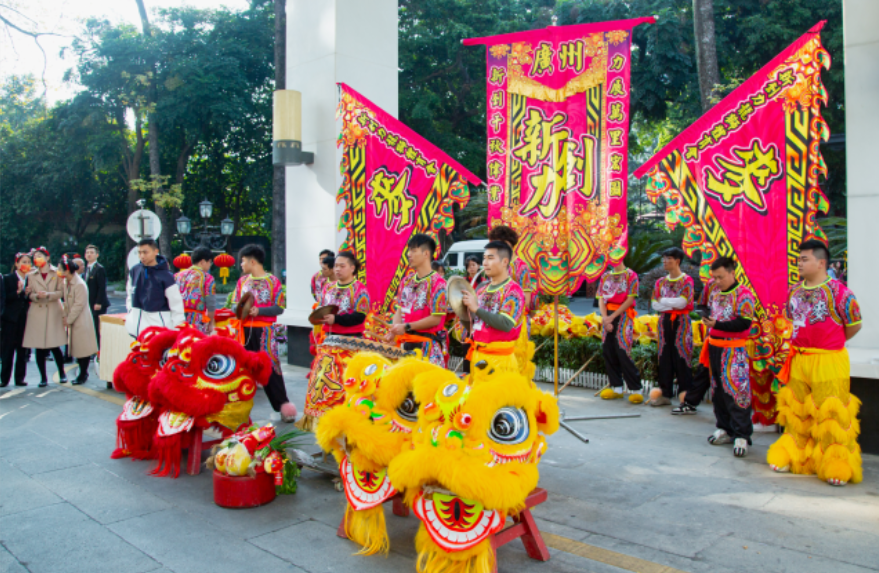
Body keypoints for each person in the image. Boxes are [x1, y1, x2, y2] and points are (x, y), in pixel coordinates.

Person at [767, 240, 863, 486]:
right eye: (799, 259)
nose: (799, 263)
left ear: (821, 262)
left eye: (804, 259)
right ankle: (797, 456)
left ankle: (836, 461)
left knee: (831, 413)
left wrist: (830, 344)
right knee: (797, 411)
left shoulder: (841, 292)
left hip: (828, 359)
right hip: (799, 358)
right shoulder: (794, 291)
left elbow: (854, 325)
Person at [300, 251, 370, 430]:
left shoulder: (360, 289)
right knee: (322, 385)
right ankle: (326, 427)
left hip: (351, 345)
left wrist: (336, 320)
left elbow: (360, 317)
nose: (337, 269)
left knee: (347, 387)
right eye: (336, 266)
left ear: (352, 268)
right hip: (329, 344)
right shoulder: (328, 288)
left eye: (342, 266)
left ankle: (348, 426)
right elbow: (322, 312)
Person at [231, 244, 297, 423]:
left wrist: (258, 311)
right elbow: (234, 304)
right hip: (244, 330)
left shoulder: (273, 281)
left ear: (253, 261)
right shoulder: (242, 282)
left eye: (243, 261)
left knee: (271, 370)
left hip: (265, 332)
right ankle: (237, 412)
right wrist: (240, 310)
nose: (241, 265)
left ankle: (283, 407)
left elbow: (279, 307)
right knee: (240, 371)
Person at [701, 257, 756, 458]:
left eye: (721, 277)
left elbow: (744, 323)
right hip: (715, 346)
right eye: (714, 277)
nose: (717, 281)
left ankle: (742, 434)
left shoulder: (744, 295)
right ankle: (724, 427)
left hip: (734, 350)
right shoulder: (715, 292)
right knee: (718, 391)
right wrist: (706, 317)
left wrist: (717, 325)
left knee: (737, 391)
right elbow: (707, 308)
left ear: (732, 273)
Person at [460, 240, 528, 377]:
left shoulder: (513, 290)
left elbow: (506, 324)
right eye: (484, 258)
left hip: (500, 360)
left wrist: (476, 309)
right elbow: (475, 320)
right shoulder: (482, 289)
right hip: (478, 356)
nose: (485, 263)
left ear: (504, 262)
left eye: (490, 258)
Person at [385, 234, 450, 367]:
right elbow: (400, 309)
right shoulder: (406, 281)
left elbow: (435, 319)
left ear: (426, 253)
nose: (409, 254)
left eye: (413, 250)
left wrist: (407, 326)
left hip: (427, 347)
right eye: (409, 250)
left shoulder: (438, 283)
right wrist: (394, 330)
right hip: (406, 344)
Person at [650, 247, 695, 407]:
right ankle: (665, 394)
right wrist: (670, 303)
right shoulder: (660, 282)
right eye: (663, 258)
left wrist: (664, 301)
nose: (664, 261)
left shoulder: (687, 280)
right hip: (664, 321)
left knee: (682, 355)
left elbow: (683, 302)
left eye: (668, 258)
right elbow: (655, 303)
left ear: (677, 260)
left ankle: (686, 396)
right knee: (664, 356)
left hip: (682, 321)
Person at [672, 278, 720, 415]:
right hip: (712, 335)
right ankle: (690, 402)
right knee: (704, 369)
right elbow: (702, 304)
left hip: (735, 340)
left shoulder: (742, 289)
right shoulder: (712, 283)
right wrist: (708, 317)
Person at [597, 262, 643, 403]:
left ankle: (635, 388)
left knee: (623, 350)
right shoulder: (605, 276)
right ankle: (616, 387)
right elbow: (600, 298)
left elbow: (630, 299)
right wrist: (605, 318)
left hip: (623, 315)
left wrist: (612, 317)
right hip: (607, 316)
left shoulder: (631, 275)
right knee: (608, 350)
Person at [22, 247, 68, 387]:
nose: (37, 259)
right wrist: (36, 296)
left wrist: (48, 295)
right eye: (35, 257)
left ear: (47, 258)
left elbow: (61, 292)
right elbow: (28, 294)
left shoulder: (57, 273)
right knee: (39, 347)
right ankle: (43, 377)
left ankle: (62, 372)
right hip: (37, 312)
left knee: (54, 345)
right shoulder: (31, 275)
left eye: (40, 256)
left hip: (53, 310)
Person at [125, 239, 185, 338]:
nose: (142, 256)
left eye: (145, 252)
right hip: (135, 331)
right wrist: (130, 312)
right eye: (139, 252)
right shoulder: (134, 271)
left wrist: (177, 330)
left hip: (159, 332)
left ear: (156, 252)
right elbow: (129, 295)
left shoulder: (166, 276)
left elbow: (176, 305)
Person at [57, 257, 98, 385]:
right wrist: (65, 316)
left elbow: (78, 305)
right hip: (72, 320)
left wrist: (68, 319)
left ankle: (83, 373)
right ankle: (82, 373)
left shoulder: (79, 284)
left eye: (60, 269)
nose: (58, 271)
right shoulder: (66, 282)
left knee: (83, 349)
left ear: (67, 270)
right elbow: (65, 302)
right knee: (76, 348)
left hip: (81, 320)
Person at [1, 253, 32, 387]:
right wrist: (18, 292)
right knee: (7, 350)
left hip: (24, 319)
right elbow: (4, 298)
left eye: (29, 262)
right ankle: (4, 379)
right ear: (17, 263)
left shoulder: (30, 279)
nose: (26, 264)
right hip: (10, 319)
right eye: (23, 262)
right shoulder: (8, 278)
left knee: (22, 350)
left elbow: (29, 300)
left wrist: (28, 294)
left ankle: (19, 378)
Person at [175, 246, 216, 334]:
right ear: (202, 262)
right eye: (209, 262)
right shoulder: (207, 278)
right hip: (197, 321)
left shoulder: (177, 276)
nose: (209, 266)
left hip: (177, 319)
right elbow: (211, 303)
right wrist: (210, 322)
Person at [83, 245, 109, 355]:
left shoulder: (99, 268)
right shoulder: (87, 269)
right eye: (87, 252)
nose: (89, 254)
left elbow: (102, 287)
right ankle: (92, 349)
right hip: (88, 303)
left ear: (97, 255)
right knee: (90, 327)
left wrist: (98, 302)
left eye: (92, 252)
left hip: (97, 304)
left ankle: (98, 350)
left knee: (97, 328)